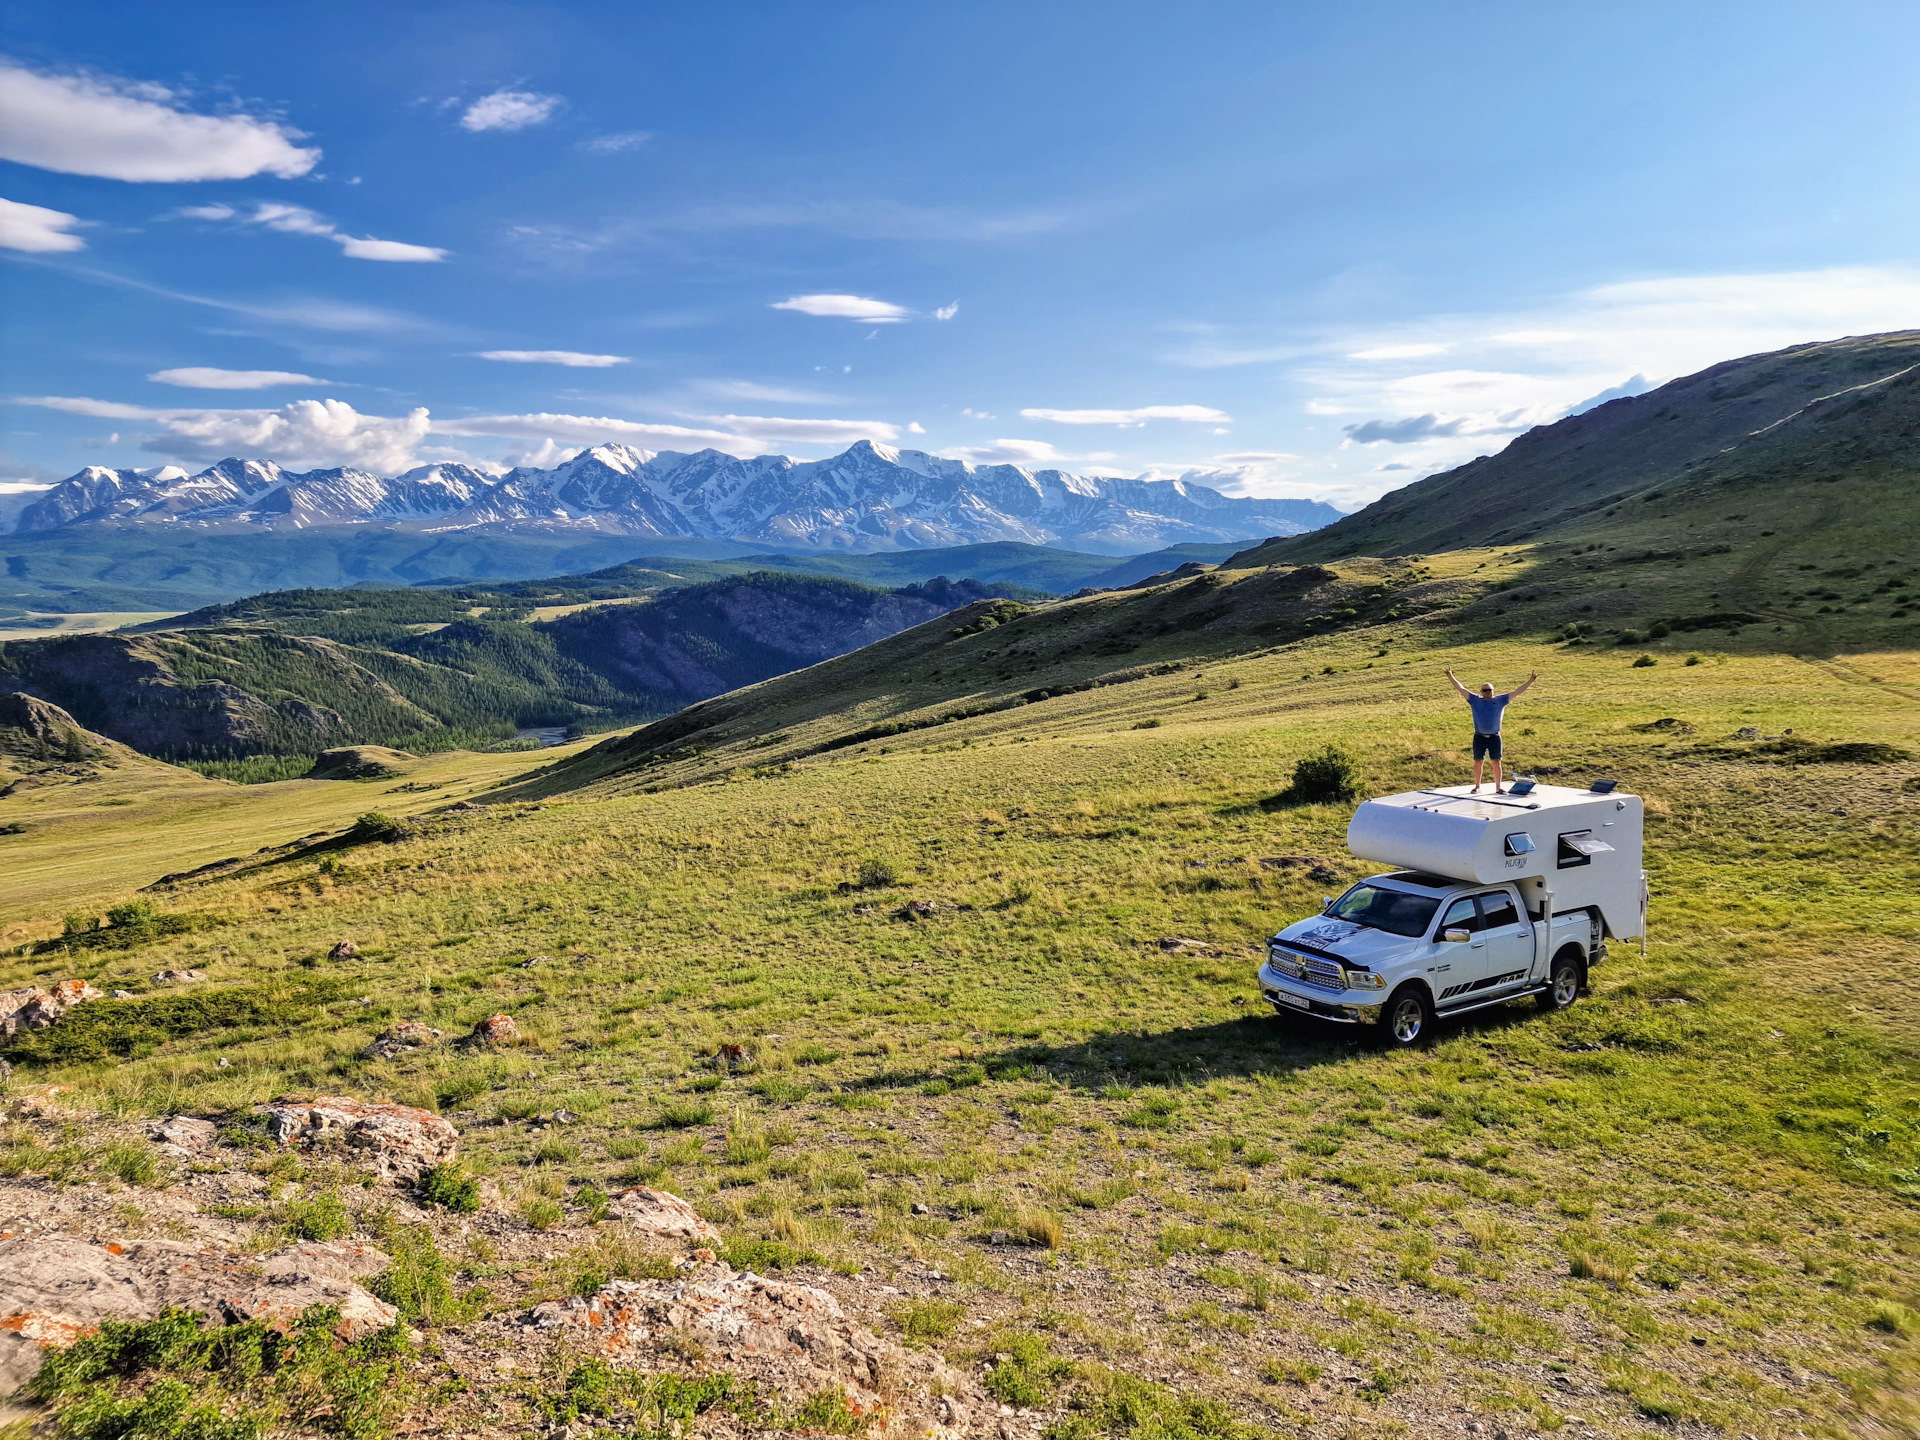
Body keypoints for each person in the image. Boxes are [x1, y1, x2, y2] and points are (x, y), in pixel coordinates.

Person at [1445, 668, 1537, 793]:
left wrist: (1530, 681)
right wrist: (1450, 676)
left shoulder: (1500, 700)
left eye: (1489, 690)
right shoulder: (1475, 700)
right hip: (1479, 736)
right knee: (1478, 762)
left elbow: (1517, 692)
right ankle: (1477, 787)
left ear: (1493, 691)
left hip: (1495, 737)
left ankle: (1498, 788)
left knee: (1496, 762)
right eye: (1485, 690)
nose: (1487, 692)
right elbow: (1461, 688)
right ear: (1481, 691)